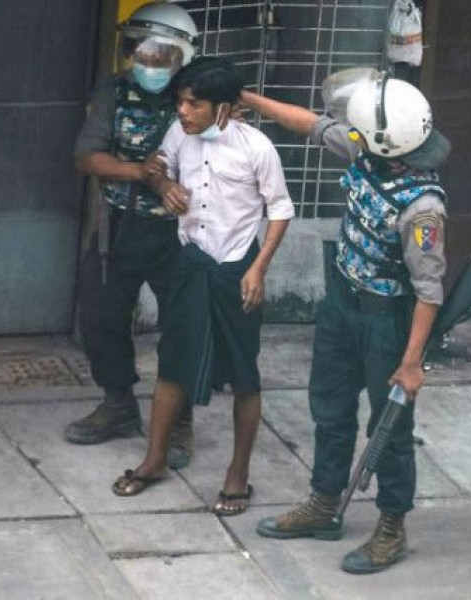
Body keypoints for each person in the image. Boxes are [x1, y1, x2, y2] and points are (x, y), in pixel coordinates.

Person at [238, 68, 451, 574]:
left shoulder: (423, 209)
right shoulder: (365, 150)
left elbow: (429, 291)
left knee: (390, 430)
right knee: (330, 411)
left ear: (383, 140)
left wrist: (411, 363)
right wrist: (246, 97)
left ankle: (390, 526)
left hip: (388, 323)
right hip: (341, 306)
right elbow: (309, 124)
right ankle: (323, 504)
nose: (348, 130)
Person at [111, 57, 295, 517]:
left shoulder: (257, 148)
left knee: (243, 374)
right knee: (173, 362)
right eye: (181, 102)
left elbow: (280, 210)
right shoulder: (179, 135)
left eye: (194, 104)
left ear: (225, 108)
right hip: (190, 264)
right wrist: (164, 184)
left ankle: (238, 474)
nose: (184, 112)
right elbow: (157, 169)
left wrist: (260, 269)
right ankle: (154, 460)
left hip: (236, 270)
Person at [67, 3, 199, 469]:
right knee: (100, 317)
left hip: (181, 235)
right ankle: (118, 402)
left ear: (182, 56)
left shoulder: (194, 101)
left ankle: (178, 421)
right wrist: (140, 173)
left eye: (161, 55)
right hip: (117, 229)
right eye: (140, 52)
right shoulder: (112, 95)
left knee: (182, 329)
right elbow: (88, 158)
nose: (149, 64)